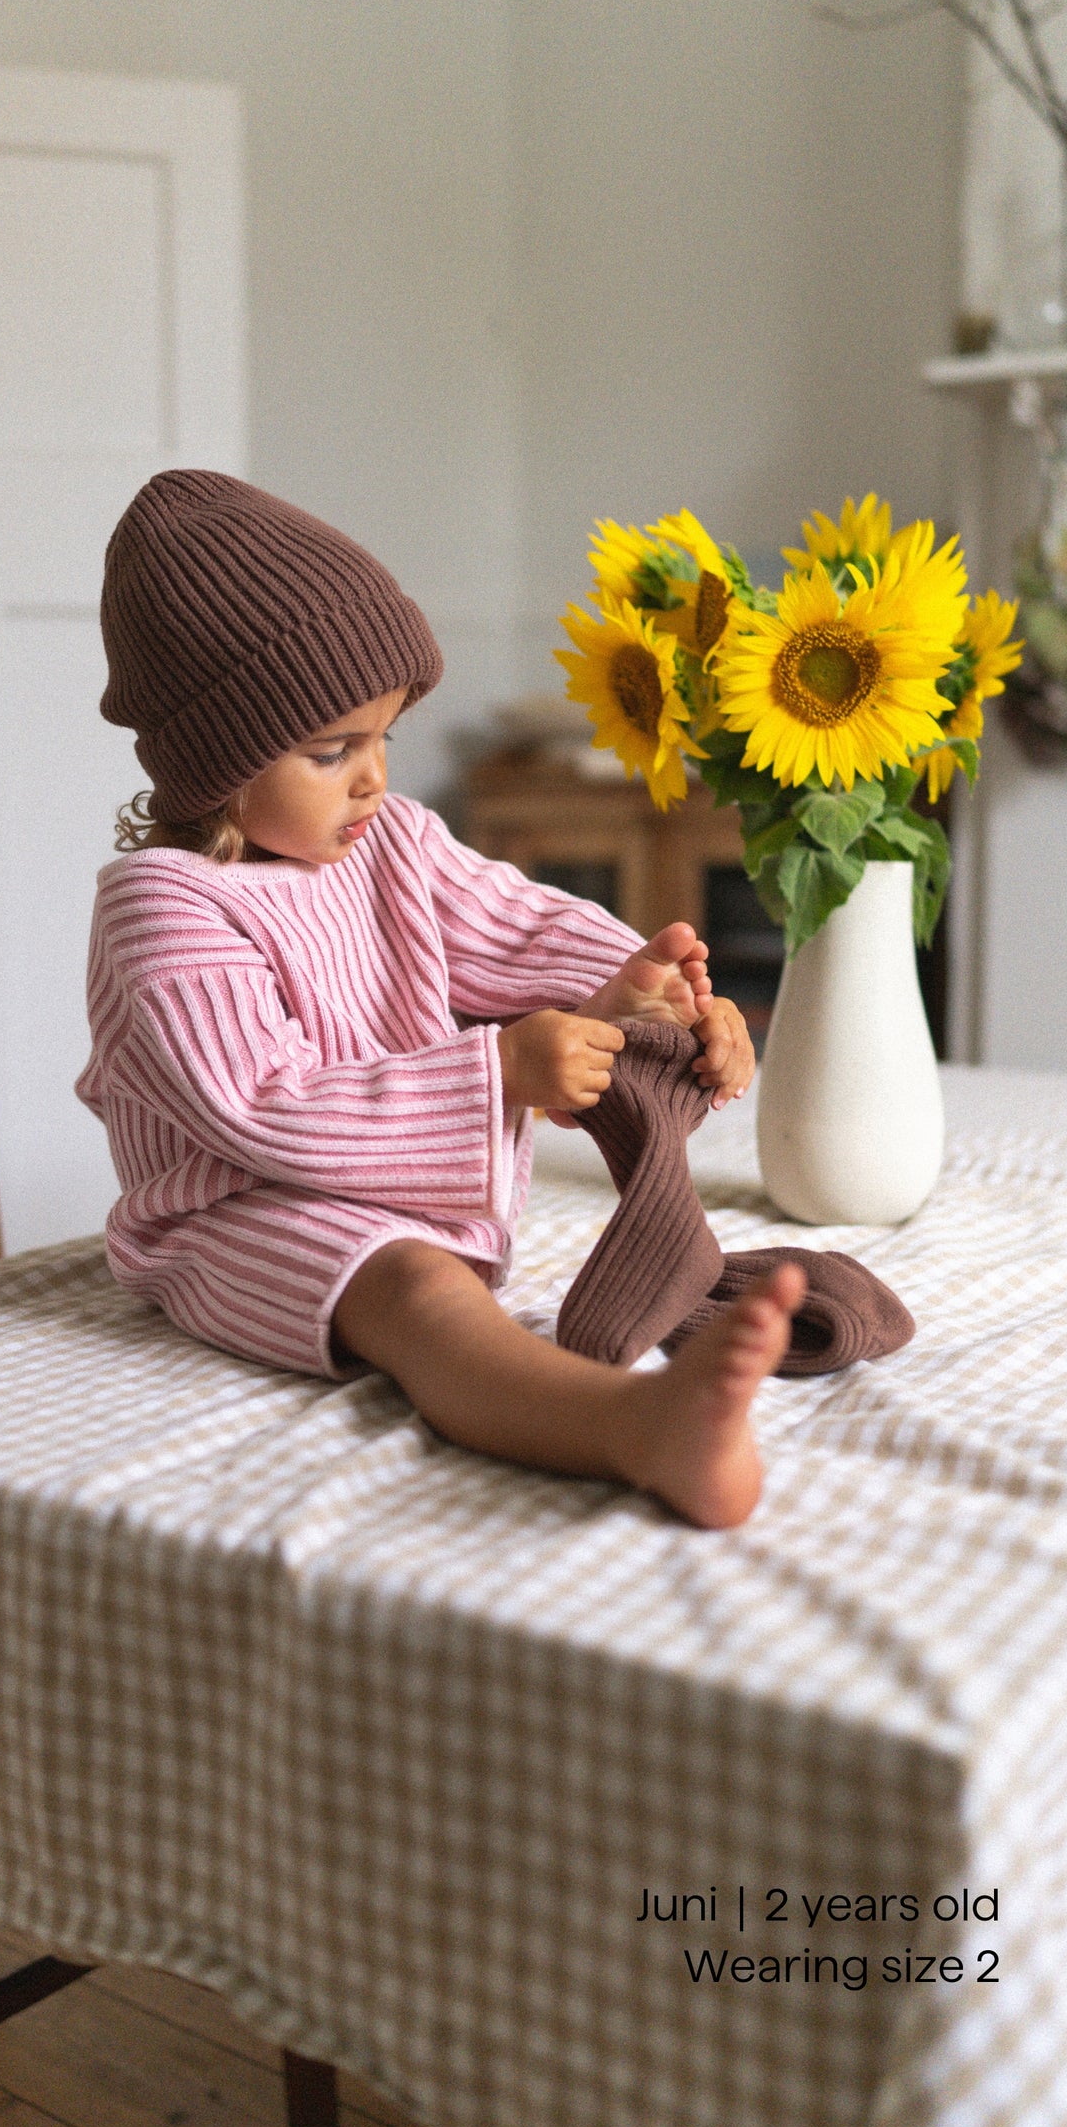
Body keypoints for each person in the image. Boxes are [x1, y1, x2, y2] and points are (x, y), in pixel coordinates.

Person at [77, 470, 801, 1529]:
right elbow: (260, 1104)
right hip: (231, 1210)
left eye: (383, 738)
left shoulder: (394, 842)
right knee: (420, 1297)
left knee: (425, 1267)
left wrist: (654, 992)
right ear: (216, 764)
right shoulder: (164, 904)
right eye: (332, 751)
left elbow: (518, 926)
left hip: (387, 1184)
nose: (373, 778)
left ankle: (649, 1411)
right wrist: (503, 1069)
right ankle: (635, 1427)